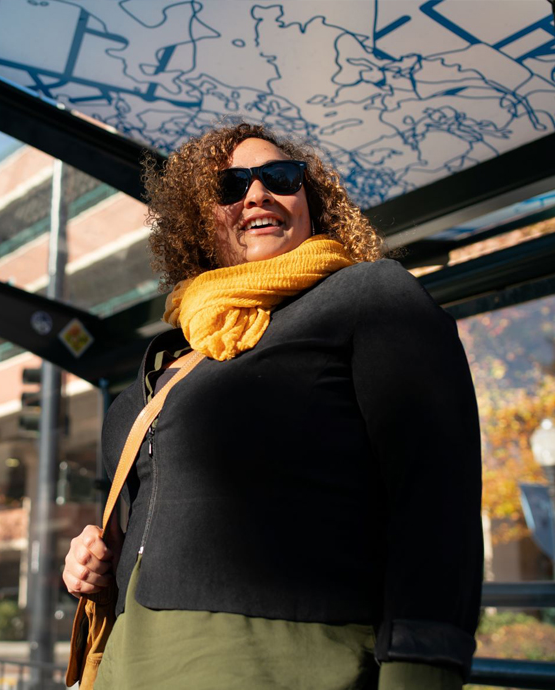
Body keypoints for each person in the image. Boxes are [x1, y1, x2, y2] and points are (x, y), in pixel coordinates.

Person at [62, 122, 483, 689]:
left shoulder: (370, 296)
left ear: (310, 199)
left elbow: (435, 502)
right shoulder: (162, 367)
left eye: (280, 178)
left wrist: (422, 672)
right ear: (199, 223)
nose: (257, 193)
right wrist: (92, 563)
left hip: (288, 667)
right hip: (129, 666)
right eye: (230, 187)